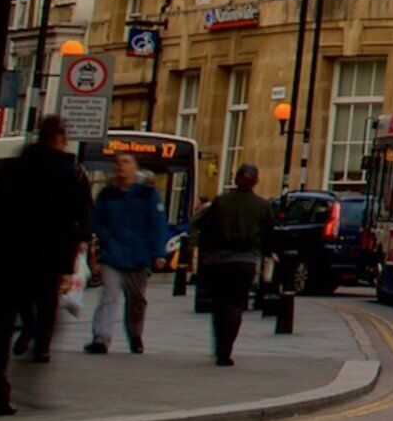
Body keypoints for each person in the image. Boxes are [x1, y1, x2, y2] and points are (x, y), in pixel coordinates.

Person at [0, 117, 90, 420]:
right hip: (44, 261)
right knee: (46, 319)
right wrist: (67, 267)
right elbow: (75, 221)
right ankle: (31, 369)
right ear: (61, 138)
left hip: (7, 259)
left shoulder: (16, 167)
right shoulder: (69, 173)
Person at [84, 153, 170, 355]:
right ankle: (101, 338)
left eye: (126, 162)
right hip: (113, 253)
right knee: (108, 295)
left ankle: (135, 334)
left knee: (136, 301)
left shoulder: (148, 193)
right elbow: (98, 220)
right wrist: (107, 238)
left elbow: (158, 224)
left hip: (139, 255)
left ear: (135, 167)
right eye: (118, 163)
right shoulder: (107, 193)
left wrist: (159, 252)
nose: (121, 166)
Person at [190, 163, 275, 366]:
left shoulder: (221, 202)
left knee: (219, 305)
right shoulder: (262, 206)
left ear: (236, 178)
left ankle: (219, 346)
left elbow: (201, 223)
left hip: (218, 260)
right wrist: (268, 254)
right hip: (245, 261)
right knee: (236, 305)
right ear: (256, 181)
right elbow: (269, 235)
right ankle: (226, 350)